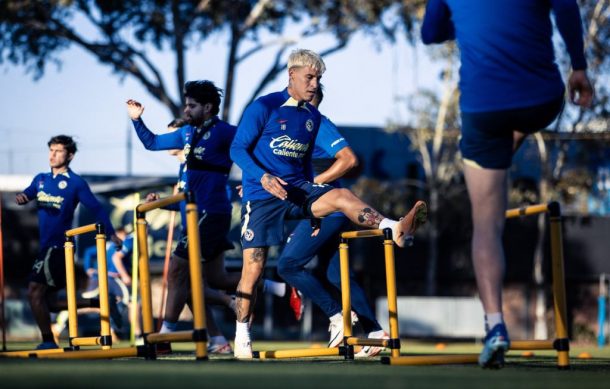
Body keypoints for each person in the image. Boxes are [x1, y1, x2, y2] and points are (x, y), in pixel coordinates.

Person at [421, 0, 594, 368]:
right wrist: (578, 66)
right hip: (542, 99)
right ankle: (507, 146)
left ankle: (495, 327)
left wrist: (470, 27)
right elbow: (566, 9)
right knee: (512, 130)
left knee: (486, 226)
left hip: (484, 110)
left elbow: (429, 34)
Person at [230, 49, 428, 359]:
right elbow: (238, 149)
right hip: (263, 198)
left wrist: (318, 191)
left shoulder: (313, 118)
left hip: (299, 191)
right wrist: (262, 177)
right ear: (291, 75)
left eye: (318, 79)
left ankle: (392, 227)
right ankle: (242, 335)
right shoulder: (264, 106)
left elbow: (335, 161)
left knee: (339, 199)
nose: (314, 84)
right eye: (309, 78)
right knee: (255, 271)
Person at [127, 82, 288, 354]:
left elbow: (258, 149)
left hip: (210, 214)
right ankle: (272, 288)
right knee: (216, 278)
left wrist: (253, 180)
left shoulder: (226, 132)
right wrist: (137, 119)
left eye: (191, 105)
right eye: (186, 105)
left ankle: (165, 335)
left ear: (208, 107)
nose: (186, 110)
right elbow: (151, 142)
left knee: (178, 272)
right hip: (195, 215)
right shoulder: (186, 133)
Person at [276, 86, 389, 356]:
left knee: (288, 265)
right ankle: (375, 331)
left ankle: (337, 316)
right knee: (336, 275)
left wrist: (314, 182)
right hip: (324, 212)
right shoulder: (290, 130)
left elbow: (349, 160)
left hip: (328, 211)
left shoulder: (318, 125)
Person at [16, 135, 122, 350]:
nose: (52, 154)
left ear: (70, 155)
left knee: (34, 292)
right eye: (51, 150)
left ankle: (48, 342)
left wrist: (111, 233)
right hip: (46, 247)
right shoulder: (41, 179)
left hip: (59, 247)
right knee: (51, 303)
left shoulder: (75, 183)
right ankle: (101, 303)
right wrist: (23, 197)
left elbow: (97, 208)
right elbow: (29, 192)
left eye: (58, 151)